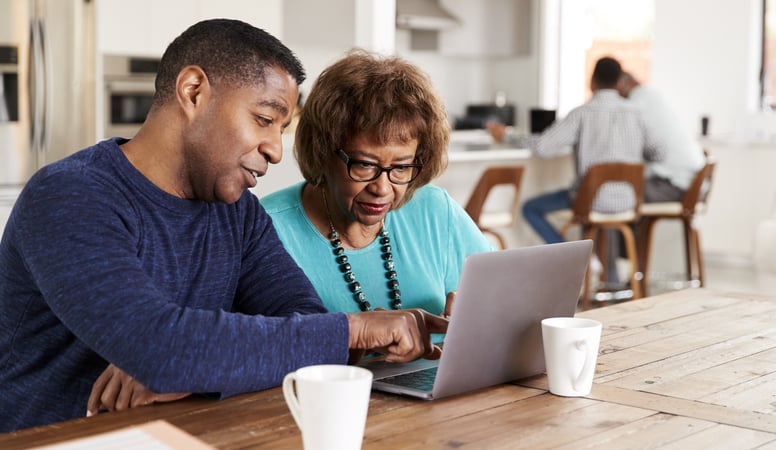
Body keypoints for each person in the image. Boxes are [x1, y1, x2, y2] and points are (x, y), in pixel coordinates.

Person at [0, 19, 447, 433]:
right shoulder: (69, 196)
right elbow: (159, 345)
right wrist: (354, 328)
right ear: (194, 92)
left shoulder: (238, 214)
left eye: (282, 127)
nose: (275, 149)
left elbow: (306, 325)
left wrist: (198, 367)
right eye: (265, 119)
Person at [260, 50, 494, 316]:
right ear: (323, 150)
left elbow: (506, 292)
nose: (382, 188)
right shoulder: (265, 228)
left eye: (402, 167)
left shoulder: (436, 210)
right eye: (365, 165)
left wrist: (480, 314)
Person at [485, 56, 663, 286]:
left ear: (592, 81)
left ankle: (576, 258)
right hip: (628, 203)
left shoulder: (583, 113)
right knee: (603, 217)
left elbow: (543, 146)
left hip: (591, 202)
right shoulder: (638, 114)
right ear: (619, 82)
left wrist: (506, 134)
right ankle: (611, 281)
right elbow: (657, 152)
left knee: (531, 208)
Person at [616, 71, 706, 202]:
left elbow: (634, 150)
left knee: (616, 196)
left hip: (677, 186)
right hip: (691, 182)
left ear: (620, 85)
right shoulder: (651, 96)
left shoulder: (636, 103)